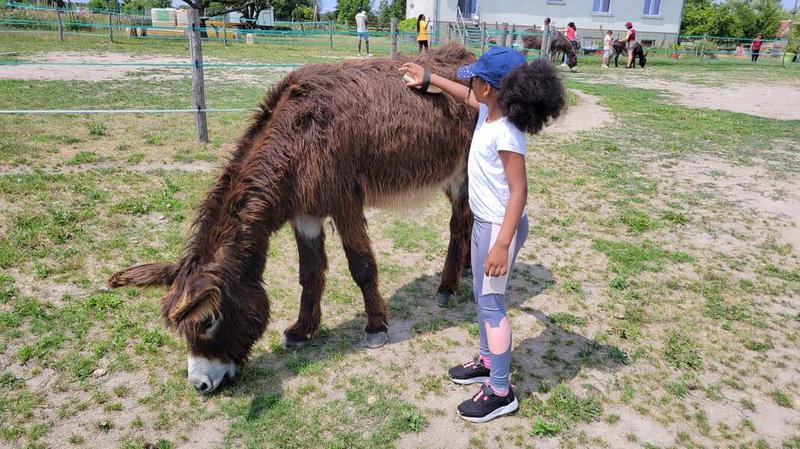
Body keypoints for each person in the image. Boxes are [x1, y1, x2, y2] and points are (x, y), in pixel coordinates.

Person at [399, 47, 565, 423]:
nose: (469, 82)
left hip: (498, 230)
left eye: (475, 77)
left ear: (490, 89)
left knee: (492, 306)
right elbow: (465, 95)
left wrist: (503, 244)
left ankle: (501, 390)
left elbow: (519, 192)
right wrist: (430, 78)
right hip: (485, 224)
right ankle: (488, 360)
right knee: (482, 297)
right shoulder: (490, 112)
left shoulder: (506, 133)